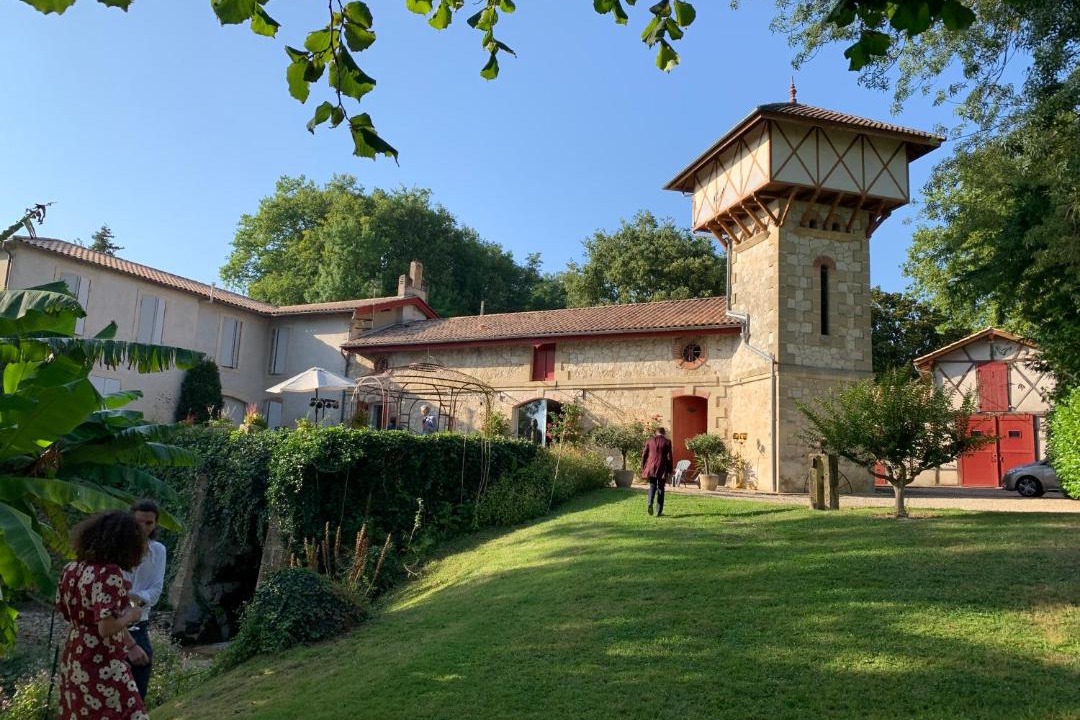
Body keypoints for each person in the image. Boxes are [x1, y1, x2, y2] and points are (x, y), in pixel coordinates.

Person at [57, 511, 150, 720]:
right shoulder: (109, 573)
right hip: (102, 658)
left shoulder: (71, 569)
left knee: (85, 713)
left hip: (75, 653)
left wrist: (131, 643)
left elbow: (66, 611)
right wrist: (132, 615)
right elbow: (105, 628)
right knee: (128, 712)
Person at [125, 500, 167, 700]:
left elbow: (156, 591)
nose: (143, 528)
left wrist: (133, 597)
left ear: (155, 524)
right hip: (111, 625)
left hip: (139, 625)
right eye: (138, 522)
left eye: (148, 523)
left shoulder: (158, 550)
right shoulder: (115, 549)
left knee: (137, 691)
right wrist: (139, 598)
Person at [641, 426, 673, 517]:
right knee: (661, 488)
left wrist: (643, 467)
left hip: (651, 466)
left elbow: (644, 455)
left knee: (652, 485)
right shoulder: (667, 442)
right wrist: (670, 470)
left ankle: (650, 503)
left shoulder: (649, 441)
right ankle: (658, 511)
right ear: (664, 433)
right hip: (662, 467)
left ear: (656, 432)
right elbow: (669, 457)